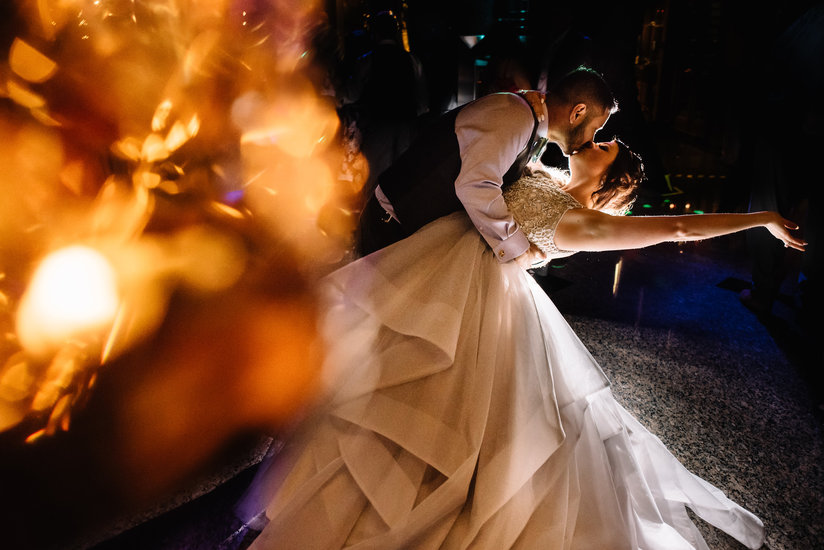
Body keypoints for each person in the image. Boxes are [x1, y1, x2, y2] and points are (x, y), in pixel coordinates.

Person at [232, 139, 804, 549]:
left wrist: (760, 219)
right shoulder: (545, 176)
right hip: (441, 278)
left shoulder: (583, 225)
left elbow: (678, 228)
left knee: (459, 416)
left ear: (611, 181)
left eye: (605, 146)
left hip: (476, 299)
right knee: (400, 395)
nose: (595, 139)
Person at [355, 65, 617, 269]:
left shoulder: (531, 122)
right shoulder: (514, 115)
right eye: (596, 129)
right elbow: (477, 185)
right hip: (390, 224)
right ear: (578, 112)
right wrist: (517, 250)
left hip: (413, 230)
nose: (591, 140)